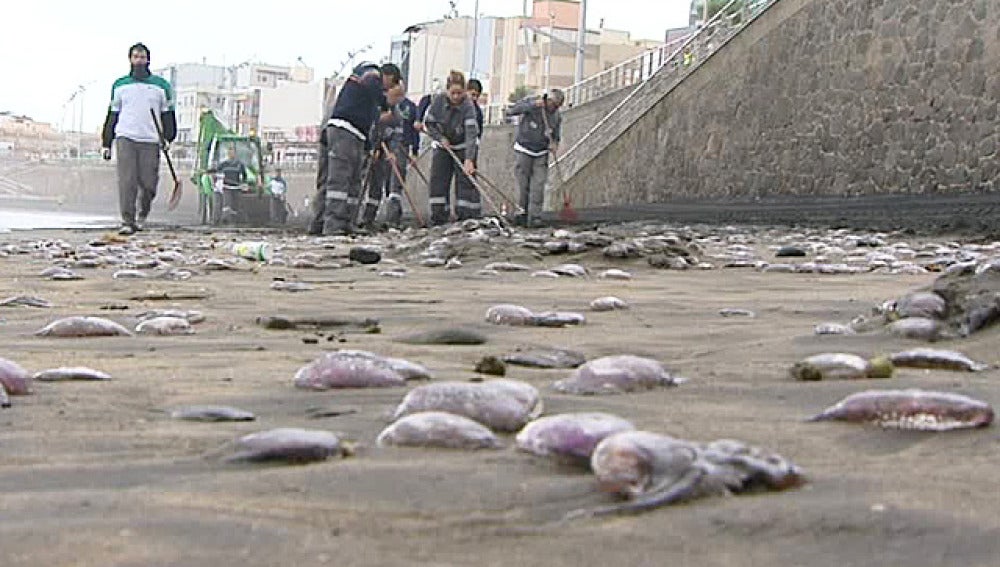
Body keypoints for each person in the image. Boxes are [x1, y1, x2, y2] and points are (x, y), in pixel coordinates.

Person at [313, 62, 402, 235]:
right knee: (339, 180)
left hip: (355, 135)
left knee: (354, 183)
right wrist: (387, 101)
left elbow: (374, 121)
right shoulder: (371, 73)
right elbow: (374, 88)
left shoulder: (366, 100)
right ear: (388, 77)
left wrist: (369, 147)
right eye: (389, 86)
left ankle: (346, 221)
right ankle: (332, 224)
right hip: (344, 130)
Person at [100, 42, 176, 235]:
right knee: (127, 181)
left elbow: (168, 114)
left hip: (151, 139)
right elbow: (112, 115)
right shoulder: (120, 85)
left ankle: (142, 214)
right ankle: (128, 220)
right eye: (135, 57)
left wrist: (169, 137)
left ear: (148, 60)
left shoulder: (161, 86)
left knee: (149, 183)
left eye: (142, 57)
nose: (139, 61)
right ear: (130, 60)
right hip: (126, 137)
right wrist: (106, 143)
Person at [422, 70, 480, 225]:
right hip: (443, 147)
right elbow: (429, 124)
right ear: (447, 91)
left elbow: (471, 134)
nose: (456, 97)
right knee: (438, 181)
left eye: (459, 93)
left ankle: (465, 217)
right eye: (452, 93)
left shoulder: (468, 106)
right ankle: (439, 217)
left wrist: (469, 159)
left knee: (465, 184)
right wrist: (440, 138)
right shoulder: (439, 102)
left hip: (462, 147)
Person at [359, 82, 418, 229]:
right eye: (395, 95)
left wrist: (393, 152)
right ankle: (366, 218)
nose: (398, 99)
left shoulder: (397, 112)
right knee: (372, 184)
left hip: (390, 149)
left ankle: (392, 218)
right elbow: (369, 129)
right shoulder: (375, 107)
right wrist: (374, 148)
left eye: (400, 96)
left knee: (392, 185)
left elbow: (398, 135)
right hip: (373, 149)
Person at [506, 89, 564, 227]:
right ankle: (521, 213)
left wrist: (554, 143)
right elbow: (512, 110)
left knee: (538, 185)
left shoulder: (556, 116)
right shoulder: (533, 103)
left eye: (557, 106)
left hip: (541, 153)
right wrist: (532, 105)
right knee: (523, 185)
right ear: (547, 100)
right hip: (524, 149)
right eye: (553, 104)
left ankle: (535, 216)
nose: (554, 108)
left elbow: (556, 135)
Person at [211, 145, 247, 223]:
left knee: (236, 205)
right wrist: (214, 179)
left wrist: (244, 183)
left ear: (235, 154)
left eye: (233, 152)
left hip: (237, 187)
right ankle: (225, 220)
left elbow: (244, 175)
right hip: (227, 187)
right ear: (228, 154)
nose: (231, 154)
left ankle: (236, 220)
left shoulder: (239, 164)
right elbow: (216, 172)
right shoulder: (223, 164)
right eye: (229, 152)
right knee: (227, 204)